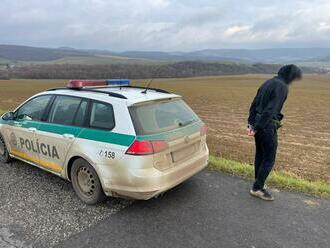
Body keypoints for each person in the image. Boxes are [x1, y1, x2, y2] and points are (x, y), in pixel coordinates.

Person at [247, 64, 302, 201]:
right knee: (269, 158)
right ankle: (257, 188)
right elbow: (270, 110)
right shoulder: (282, 87)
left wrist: (251, 124)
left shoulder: (267, 82)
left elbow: (254, 104)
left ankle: (258, 182)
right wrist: (258, 127)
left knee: (260, 154)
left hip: (259, 124)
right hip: (267, 125)